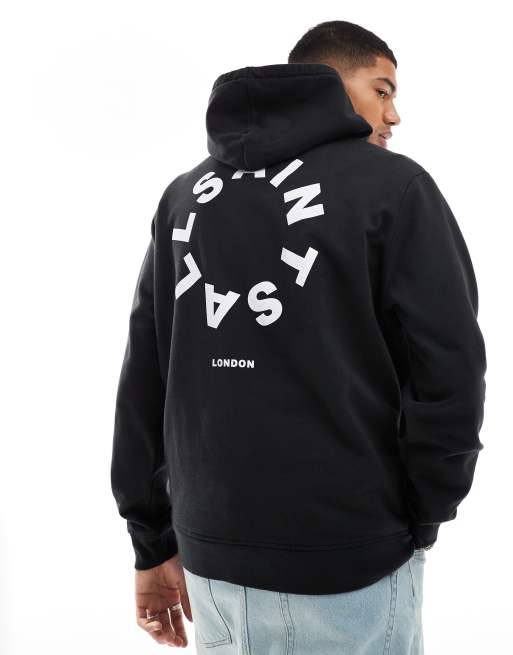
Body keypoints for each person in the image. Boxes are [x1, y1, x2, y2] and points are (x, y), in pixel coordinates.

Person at [110, 20, 487, 654]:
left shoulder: (183, 198)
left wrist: (152, 541)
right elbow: (449, 372)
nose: (394, 115)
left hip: (210, 559)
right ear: (329, 84)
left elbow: (144, 375)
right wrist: (420, 516)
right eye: (382, 90)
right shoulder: (394, 188)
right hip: (350, 560)